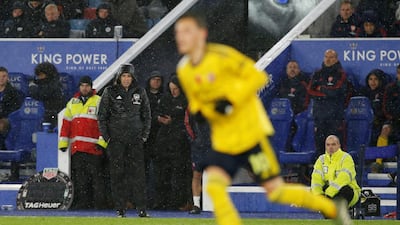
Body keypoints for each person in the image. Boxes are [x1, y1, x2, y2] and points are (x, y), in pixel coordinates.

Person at [175, 13, 353, 225]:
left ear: (202, 34)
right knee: (214, 185)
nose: (181, 37)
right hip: (226, 140)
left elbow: (256, 77)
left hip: (251, 136)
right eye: (178, 32)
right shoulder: (184, 69)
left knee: (275, 191)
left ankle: (331, 207)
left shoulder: (222, 56)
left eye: (187, 31)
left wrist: (230, 101)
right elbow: (198, 101)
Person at [98, 63, 151, 218]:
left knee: (138, 175)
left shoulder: (140, 92)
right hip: (116, 141)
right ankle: (120, 209)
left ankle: (141, 209)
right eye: (124, 76)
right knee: (117, 175)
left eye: (129, 76)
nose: (127, 79)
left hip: (135, 140)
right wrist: (107, 138)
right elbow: (102, 116)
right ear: (119, 77)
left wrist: (144, 136)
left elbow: (147, 115)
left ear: (133, 77)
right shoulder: (110, 91)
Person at [58, 76, 106, 209]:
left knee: (97, 180)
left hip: (94, 148)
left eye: (87, 85)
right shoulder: (72, 103)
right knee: (80, 180)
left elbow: (105, 124)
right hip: (78, 149)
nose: (85, 88)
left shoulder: (99, 101)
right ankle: (83, 205)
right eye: (82, 85)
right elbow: (66, 124)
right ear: (79, 87)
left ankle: (99, 206)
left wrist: (102, 143)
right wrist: (63, 143)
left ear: (91, 87)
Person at [153, 76, 192, 210]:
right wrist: (160, 119)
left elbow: (188, 120)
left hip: (180, 143)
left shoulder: (186, 100)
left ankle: (178, 202)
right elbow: (155, 114)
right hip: (163, 142)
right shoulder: (165, 99)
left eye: (175, 89)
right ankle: (161, 202)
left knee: (178, 175)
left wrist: (174, 121)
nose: (173, 91)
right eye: (171, 89)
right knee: (161, 174)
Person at [308, 49, 348, 156]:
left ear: (336, 59)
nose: (328, 59)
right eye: (326, 57)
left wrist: (321, 89)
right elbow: (310, 91)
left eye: (331, 57)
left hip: (335, 116)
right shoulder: (317, 73)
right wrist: (327, 93)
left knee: (335, 145)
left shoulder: (341, 74)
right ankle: (321, 169)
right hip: (320, 116)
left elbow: (337, 92)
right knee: (320, 146)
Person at [311, 135, 361, 209]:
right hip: (329, 194)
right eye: (328, 145)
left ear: (339, 145)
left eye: (333, 144)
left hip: (347, 192)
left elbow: (344, 178)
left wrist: (329, 193)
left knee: (345, 190)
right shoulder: (321, 160)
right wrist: (319, 195)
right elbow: (316, 180)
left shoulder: (346, 158)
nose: (330, 147)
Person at [184, 111, 211, 214]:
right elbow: (187, 123)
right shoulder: (193, 104)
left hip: (213, 145)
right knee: (197, 174)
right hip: (199, 147)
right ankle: (196, 205)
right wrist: (194, 140)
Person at [144, 70, 164, 208]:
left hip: (161, 139)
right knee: (142, 172)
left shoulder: (164, 97)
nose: (156, 82)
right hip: (145, 139)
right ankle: (142, 200)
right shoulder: (142, 96)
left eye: (158, 79)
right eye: (154, 79)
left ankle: (157, 201)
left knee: (158, 173)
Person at [28, 62, 65, 128]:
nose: (39, 78)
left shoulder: (53, 85)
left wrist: (32, 86)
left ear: (48, 74)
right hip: (49, 116)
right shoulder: (51, 82)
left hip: (54, 117)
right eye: (38, 75)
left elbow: (40, 94)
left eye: (41, 75)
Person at [359, 69, 387, 146]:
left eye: (376, 79)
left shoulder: (384, 92)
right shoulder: (363, 92)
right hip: (364, 123)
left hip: (379, 123)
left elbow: (385, 111)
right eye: (370, 79)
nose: (373, 82)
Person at [0, 67, 23, 149]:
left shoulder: (13, 92)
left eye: (4, 76)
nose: (1, 79)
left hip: (7, 118)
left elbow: (14, 109)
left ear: (7, 78)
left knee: (1, 124)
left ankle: (3, 150)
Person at [383, 64, 400, 143]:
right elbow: (386, 107)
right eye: (399, 73)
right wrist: (394, 118)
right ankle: (381, 154)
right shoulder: (390, 88)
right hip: (394, 120)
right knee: (385, 130)